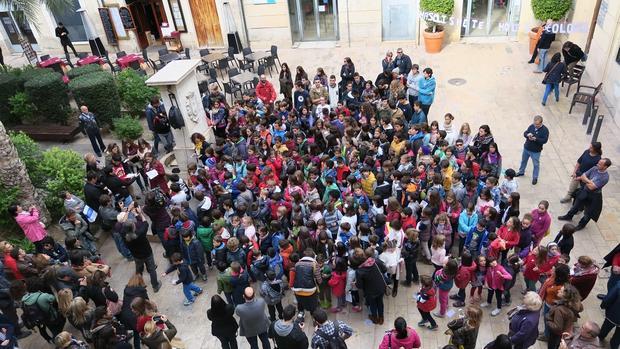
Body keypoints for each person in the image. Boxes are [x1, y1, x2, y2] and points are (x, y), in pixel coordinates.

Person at [558, 158, 611, 230]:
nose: (597, 164)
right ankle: (569, 216)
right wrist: (589, 181)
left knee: (588, 213)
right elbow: (583, 176)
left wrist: (585, 180)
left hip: (594, 196)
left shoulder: (605, 177)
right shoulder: (594, 168)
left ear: (605, 167)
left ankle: (581, 225)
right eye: (598, 162)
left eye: (600, 164)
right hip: (585, 191)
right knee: (576, 205)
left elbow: (592, 187)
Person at [120, 208, 162, 293]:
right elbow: (145, 222)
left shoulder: (123, 234)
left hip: (136, 256)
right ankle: (155, 286)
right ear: (133, 227)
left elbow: (123, 223)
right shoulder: (140, 233)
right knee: (152, 269)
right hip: (147, 253)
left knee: (139, 270)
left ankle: (140, 284)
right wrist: (140, 213)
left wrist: (125, 211)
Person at [546, 284, 583, 349]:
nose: (558, 290)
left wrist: (548, 320)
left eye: (561, 291)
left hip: (557, 334)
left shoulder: (560, 310)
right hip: (566, 329)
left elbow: (557, 327)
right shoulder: (575, 302)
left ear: (565, 296)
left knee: (552, 346)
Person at [289, 249, 322, 322]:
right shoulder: (314, 264)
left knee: (300, 302)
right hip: (310, 290)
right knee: (313, 305)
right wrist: (320, 282)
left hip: (297, 290)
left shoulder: (297, 264)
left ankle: (301, 314)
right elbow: (318, 278)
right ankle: (314, 318)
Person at [517, 115, 549, 185]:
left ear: (541, 123)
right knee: (523, 161)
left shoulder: (545, 130)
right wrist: (527, 135)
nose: (535, 125)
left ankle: (535, 177)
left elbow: (545, 140)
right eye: (535, 123)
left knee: (536, 164)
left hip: (536, 151)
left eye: (537, 124)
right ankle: (521, 172)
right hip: (527, 148)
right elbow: (525, 133)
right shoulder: (532, 126)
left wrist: (536, 139)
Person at [599, 281, 620, 349]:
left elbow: (609, 298)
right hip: (614, 314)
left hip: (613, 315)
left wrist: (603, 305)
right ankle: (614, 345)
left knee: (605, 328)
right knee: (618, 336)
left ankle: (600, 337)